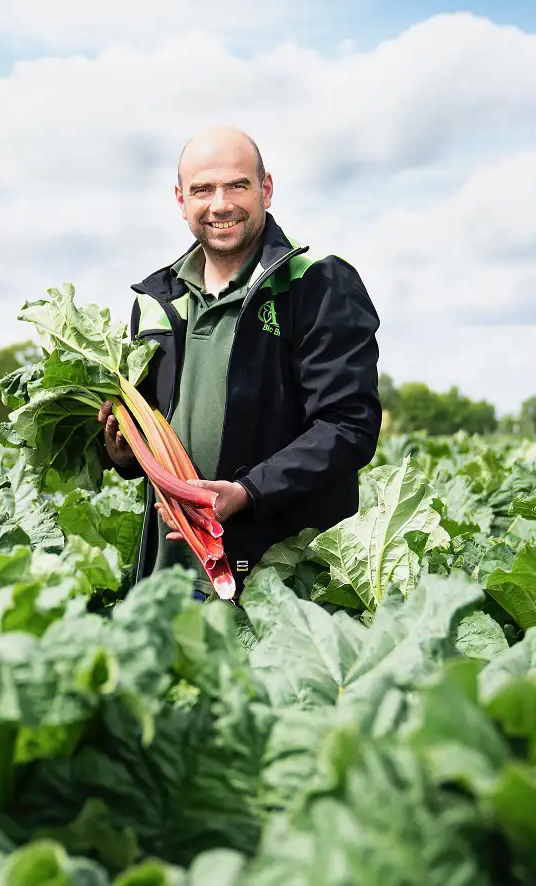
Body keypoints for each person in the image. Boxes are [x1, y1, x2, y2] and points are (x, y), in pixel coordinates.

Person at [97, 125, 382, 601]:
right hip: (167, 577)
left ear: (266, 189)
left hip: (276, 576)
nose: (221, 204)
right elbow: (152, 435)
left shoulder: (316, 284)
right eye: (203, 189)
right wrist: (124, 454)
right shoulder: (156, 300)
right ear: (181, 200)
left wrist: (249, 491)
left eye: (238, 185)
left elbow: (348, 426)